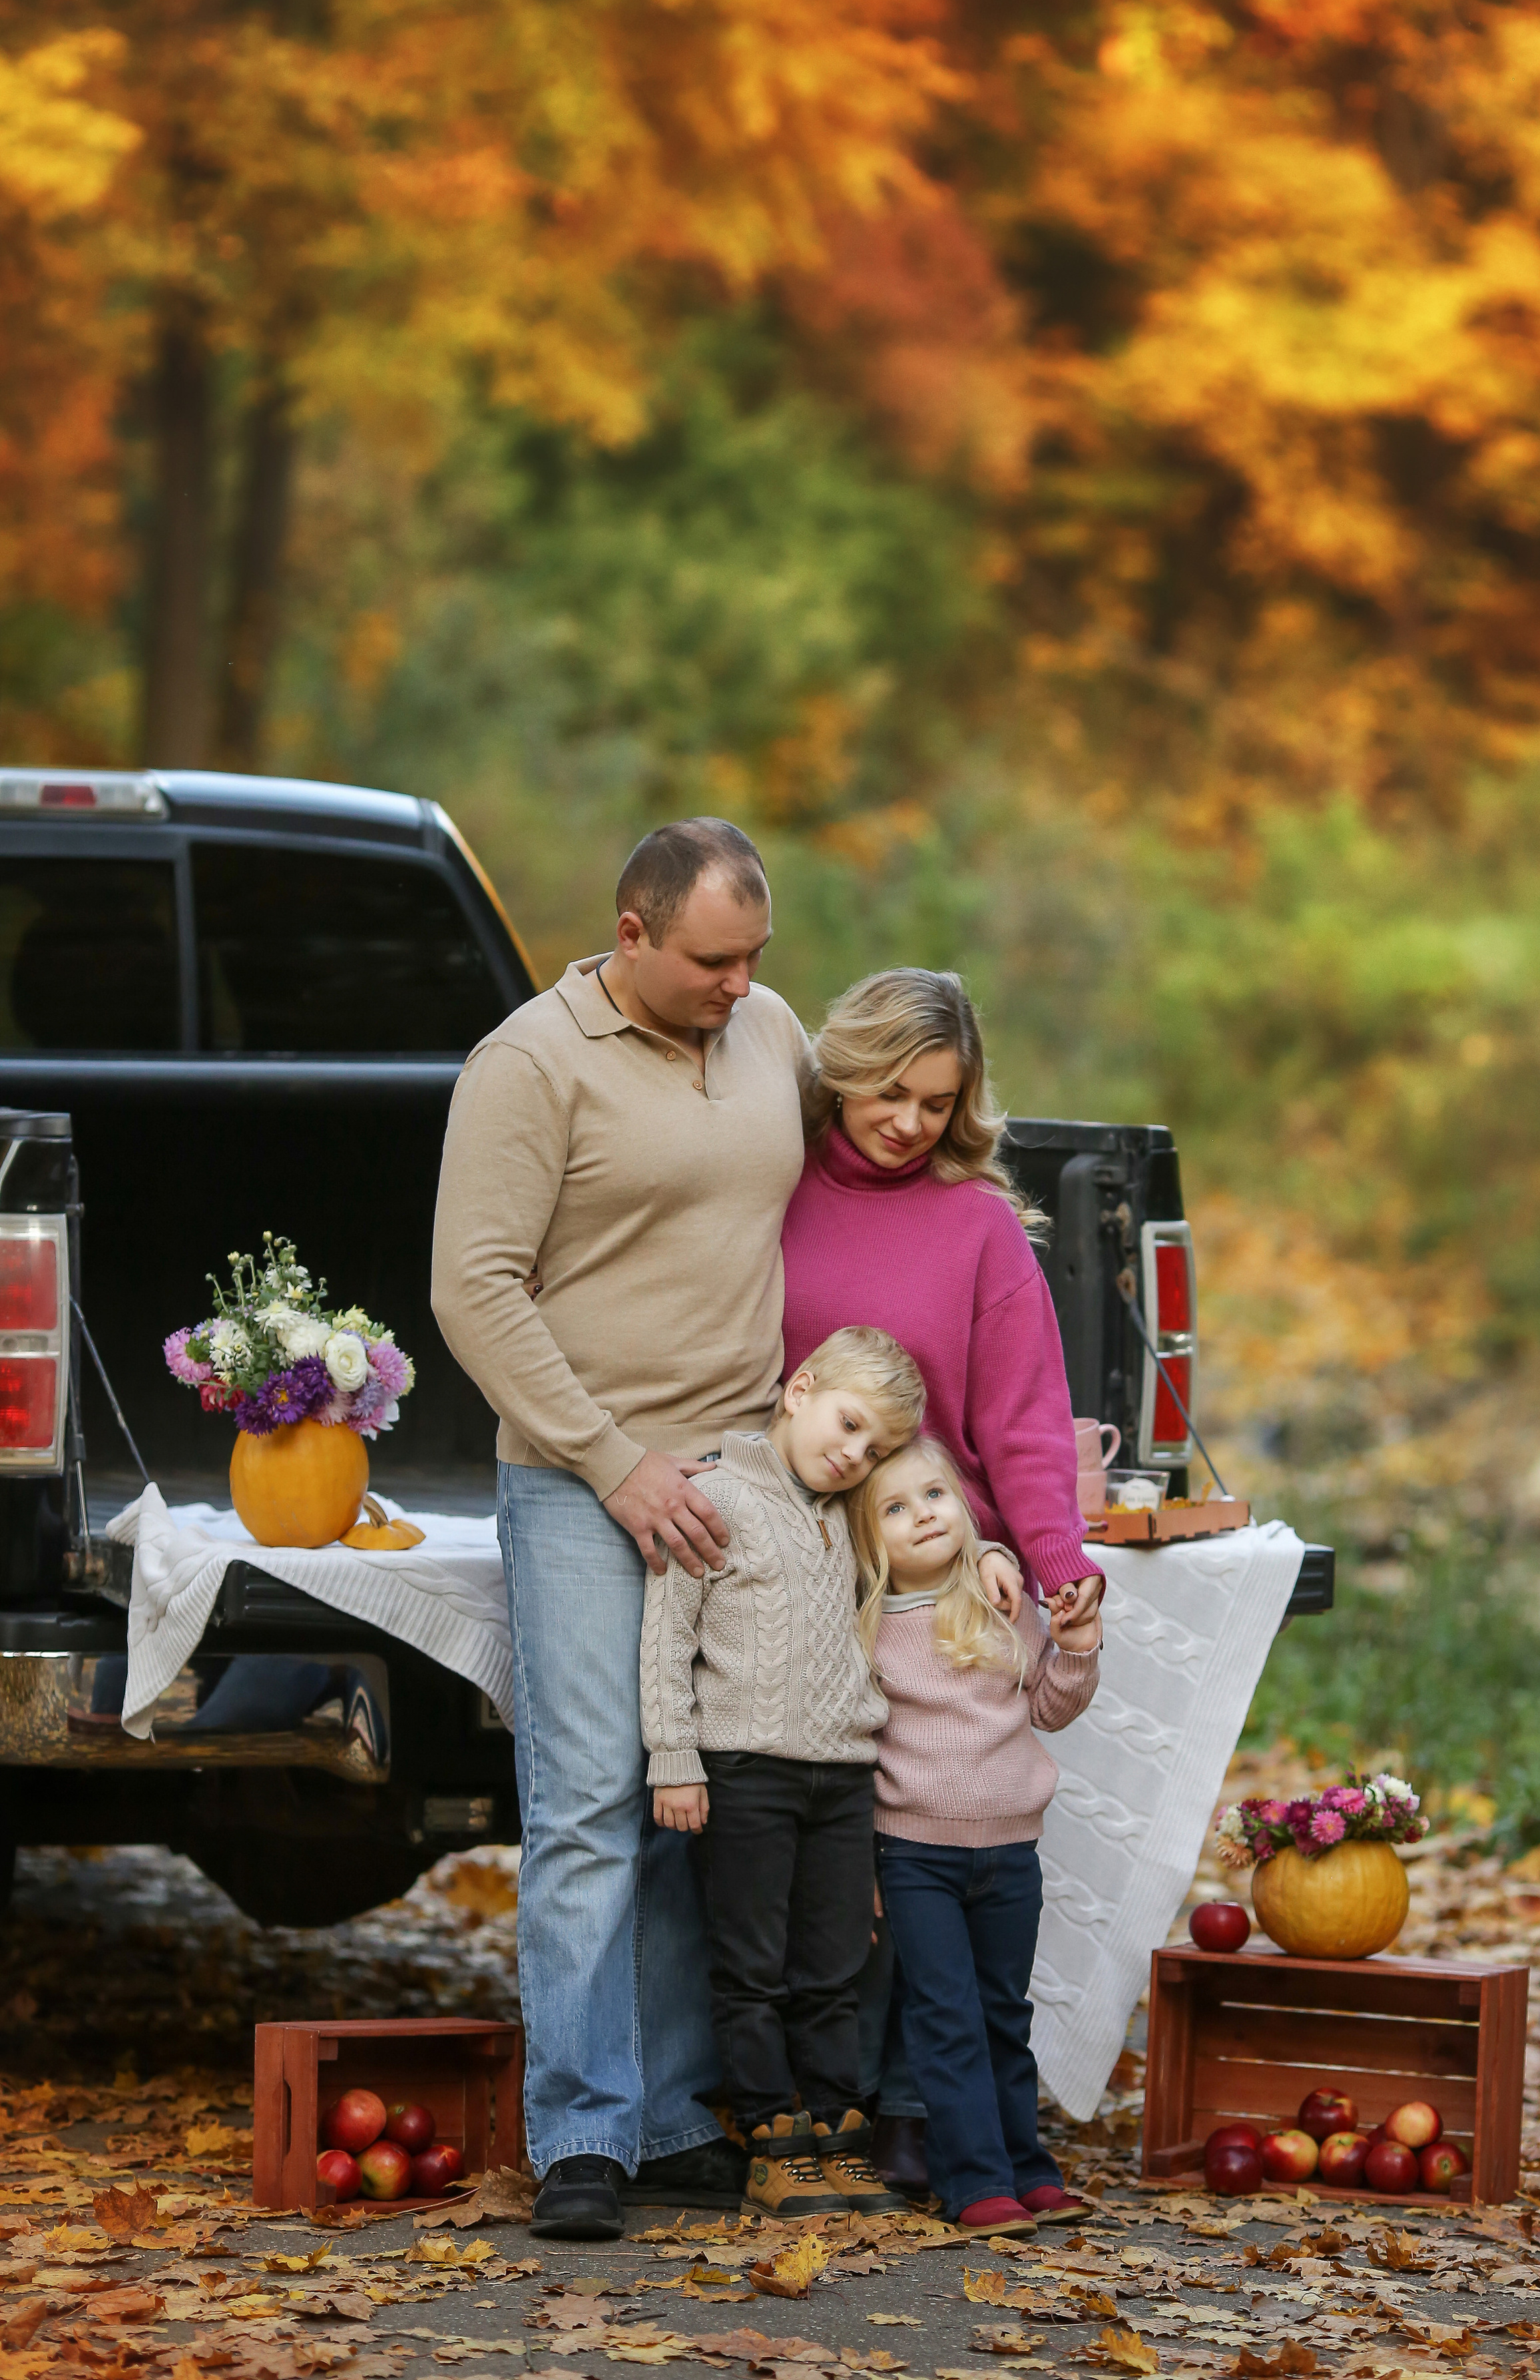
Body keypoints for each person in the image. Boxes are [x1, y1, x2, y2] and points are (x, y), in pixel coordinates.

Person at [431, 818, 808, 2241]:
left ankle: (667, 2121)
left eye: (755, 955)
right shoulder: (530, 1063)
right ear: (630, 932)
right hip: (587, 1479)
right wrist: (611, 1461)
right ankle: (584, 2130)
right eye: (714, 958)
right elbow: (474, 1290)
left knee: (690, 1803)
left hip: (749, 1479)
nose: (741, 982)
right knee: (589, 1802)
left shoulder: (767, 1029)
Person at [780, 967, 1104, 2182]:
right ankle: (806, 2089)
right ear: (844, 1067)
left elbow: (1023, 1419)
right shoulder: (772, 1190)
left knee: (933, 1836)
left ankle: (924, 2109)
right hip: (795, 1564)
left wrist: (1059, 1559)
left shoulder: (977, 1226)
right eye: (890, 1091)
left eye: (937, 1102)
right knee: (810, 1840)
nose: (909, 1121)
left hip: (930, 1572)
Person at [641, 1327, 923, 2220]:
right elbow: (666, 1638)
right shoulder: (715, 1496)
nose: (853, 1455)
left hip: (841, 1778)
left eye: (874, 1448)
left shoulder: (850, 1518)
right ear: (799, 1389)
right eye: (848, 1426)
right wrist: (674, 1759)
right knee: (753, 1965)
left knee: (836, 1964)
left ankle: (838, 2131)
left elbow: (926, 1557)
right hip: (746, 1771)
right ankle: (772, 2135)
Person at [848, 1439, 1101, 2233]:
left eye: (934, 1495)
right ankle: (972, 2180)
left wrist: (1077, 1646)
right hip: (915, 1856)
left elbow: (1051, 1707)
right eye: (895, 1508)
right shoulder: (864, 1632)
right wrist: (865, 1867)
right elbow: (852, 1750)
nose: (923, 1514)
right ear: (867, 1540)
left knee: (1003, 2015)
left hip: (1009, 1855)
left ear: (963, 1506)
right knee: (946, 2016)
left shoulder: (999, 1605)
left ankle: (1027, 2168)